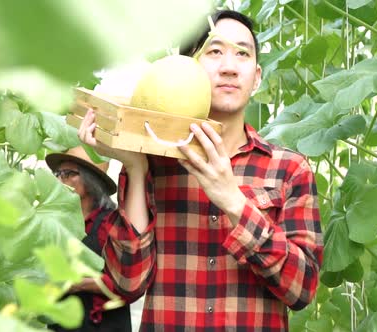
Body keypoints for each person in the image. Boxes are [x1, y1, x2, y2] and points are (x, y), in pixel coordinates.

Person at [77, 10, 323, 331]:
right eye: (215, 51)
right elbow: (127, 282)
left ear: (257, 76)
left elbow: (302, 289)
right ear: (188, 68)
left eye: (242, 54)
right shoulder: (151, 164)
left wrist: (234, 202)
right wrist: (135, 169)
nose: (229, 67)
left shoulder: (289, 169)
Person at [45, 146, 131, 332]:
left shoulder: (112, 223)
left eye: (69, 173)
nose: (61, 179)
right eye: (58, 173)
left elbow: (129, 282)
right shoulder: (53, 220)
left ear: (91, 180)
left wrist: (81, 284)